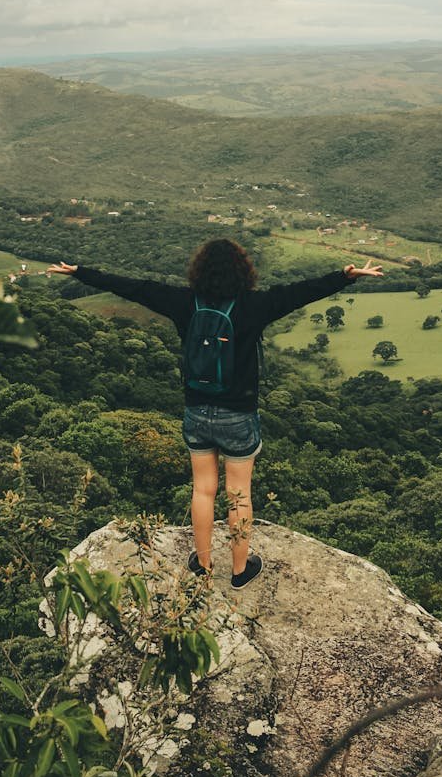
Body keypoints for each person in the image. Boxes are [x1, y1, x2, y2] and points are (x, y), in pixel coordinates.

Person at [47, 240, 383, 589]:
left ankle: (203, 564)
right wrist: (344, 277)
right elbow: (301, 292)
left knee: (203, 490)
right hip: (238, 415)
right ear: (243, 271)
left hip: (197, 410)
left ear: (200, 270)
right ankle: (240, 571)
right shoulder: (255, 305)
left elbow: (132, 287)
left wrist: (81, 272)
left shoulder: (183, 302)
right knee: (239, 495)